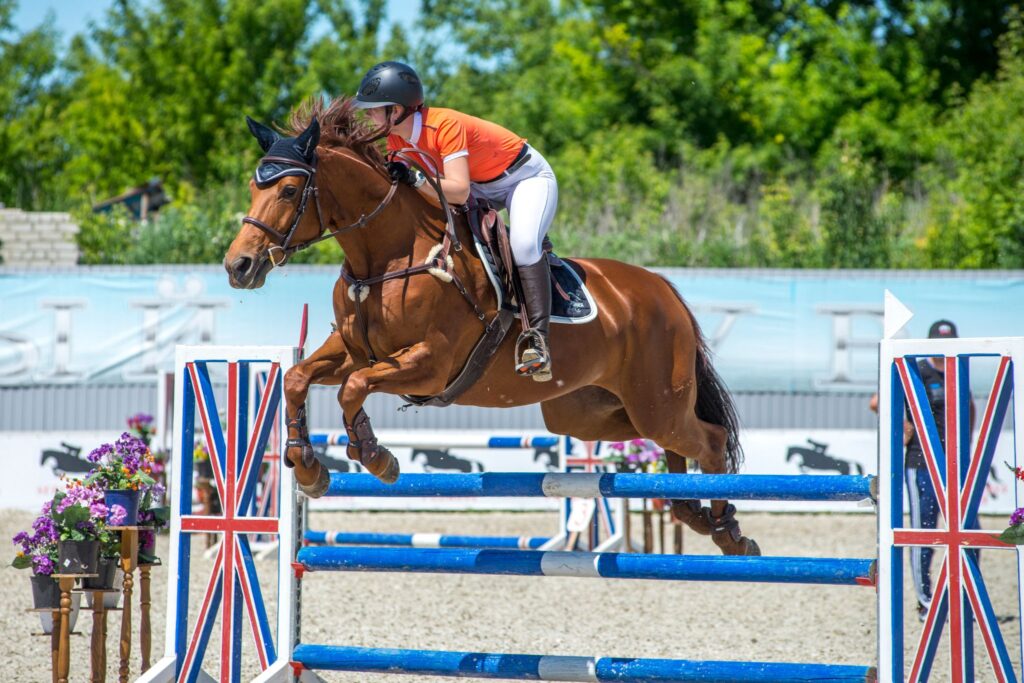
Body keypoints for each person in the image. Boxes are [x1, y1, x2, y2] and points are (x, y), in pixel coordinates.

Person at [353, 61, 558, 382]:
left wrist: (416, 178)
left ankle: (538, 339)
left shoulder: (443, 126)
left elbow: (459, 192)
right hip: (480, 185)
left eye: (373, 111)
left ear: (396, 110)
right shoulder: (395, 141)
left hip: (524, 177)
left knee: (523, 244)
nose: (367, 117)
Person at [870, 318, 973, 621]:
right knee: (923, 530)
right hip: (922, 461)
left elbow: (970, 408)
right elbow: (877, 402)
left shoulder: (960, 370)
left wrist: (969, 445)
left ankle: (965, 597)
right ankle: (925, 600)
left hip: (957, 463)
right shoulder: (918, 371)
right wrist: (903, 426)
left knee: (970, 530)